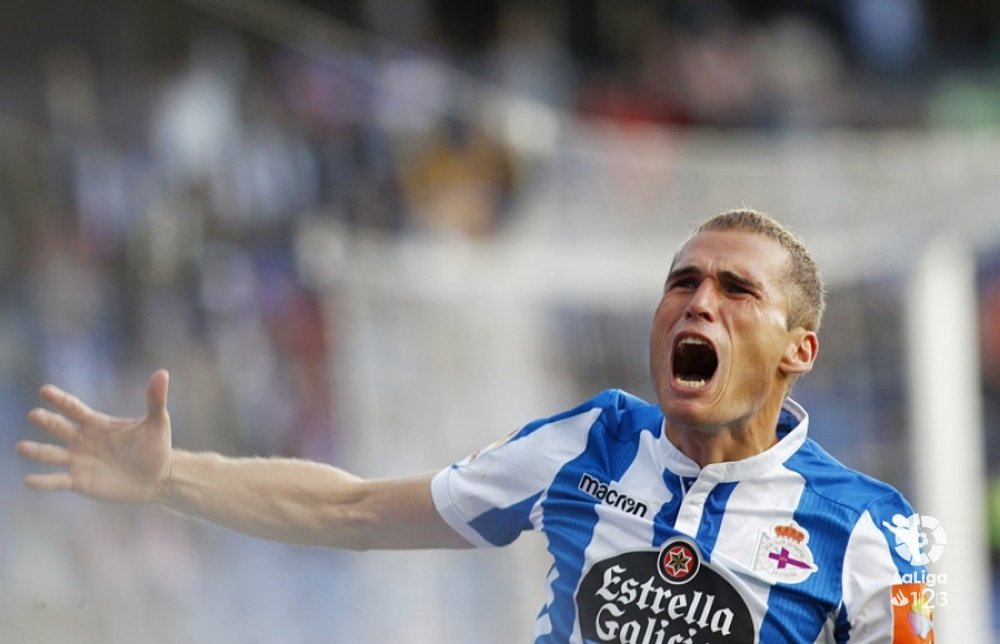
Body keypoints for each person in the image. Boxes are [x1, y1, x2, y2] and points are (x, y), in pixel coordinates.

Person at [18, 208, 934, 642]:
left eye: (736, 290)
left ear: (797, 350)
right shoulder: (590, 443)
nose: (699, 304)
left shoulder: (879, 535)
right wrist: (168, 477)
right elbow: (359, 513)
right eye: (682, 282)